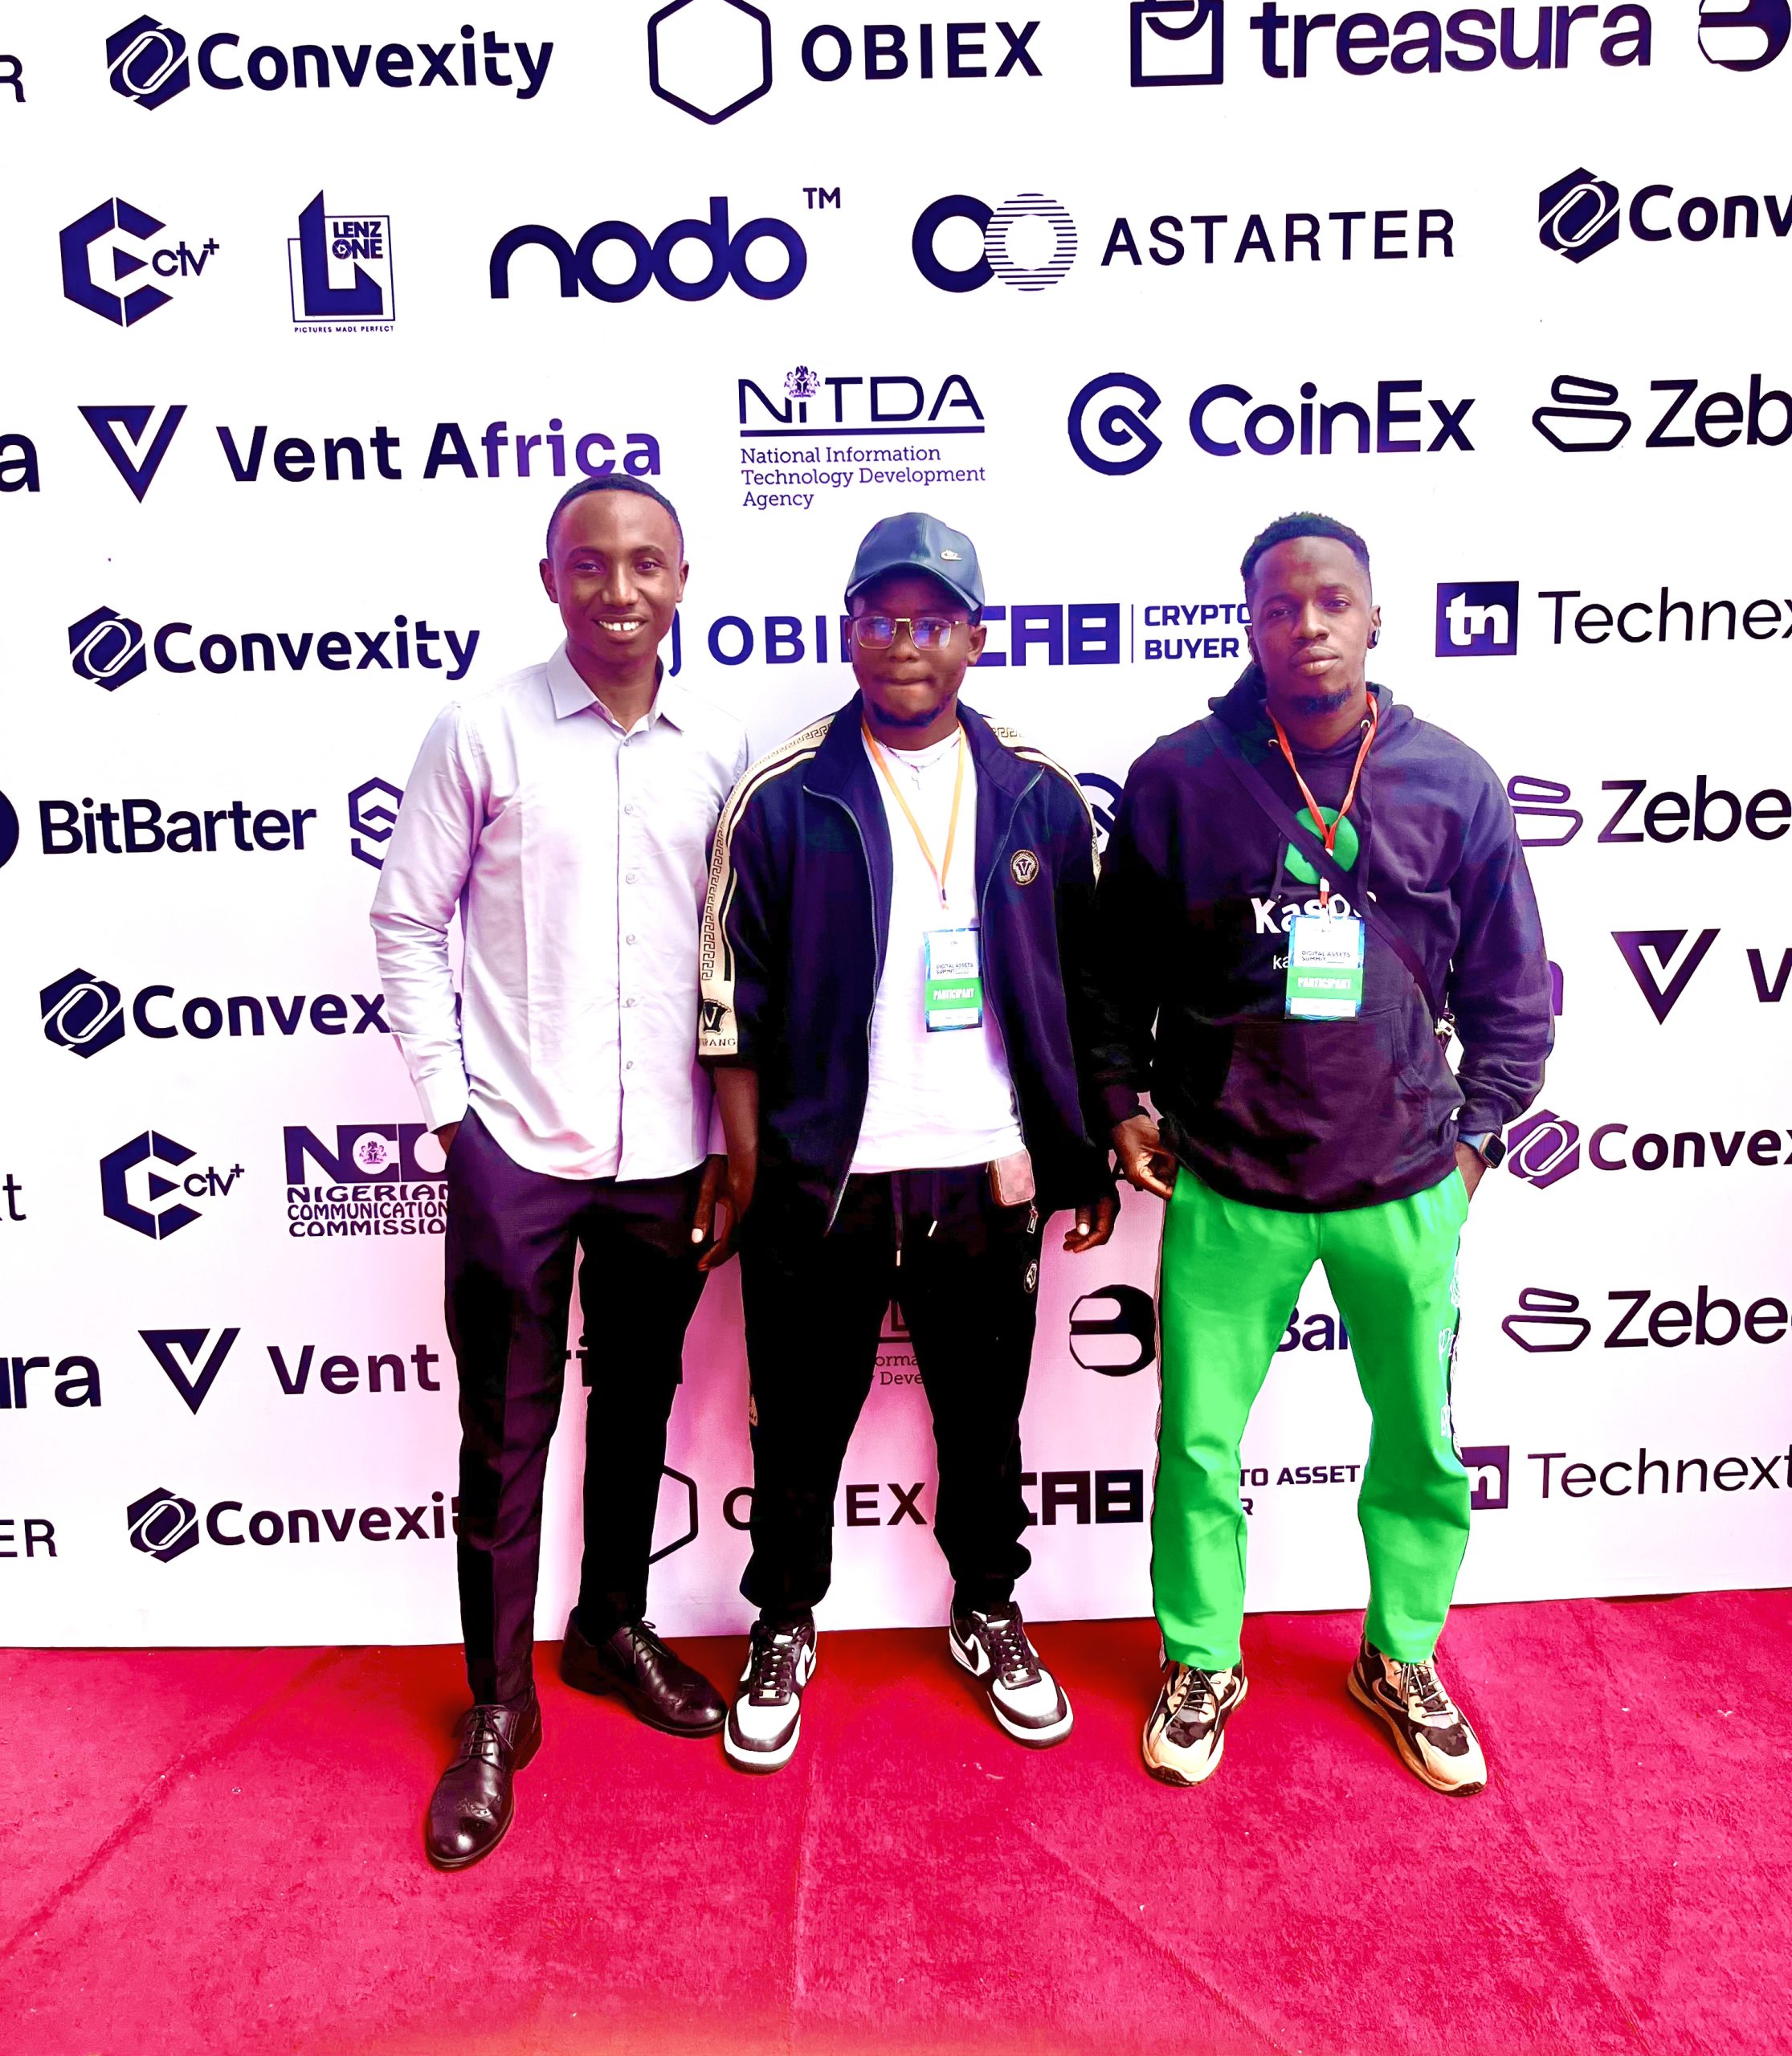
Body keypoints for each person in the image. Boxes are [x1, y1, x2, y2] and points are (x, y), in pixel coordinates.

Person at [1087, 512, 1553, 1796]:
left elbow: (1515, 990)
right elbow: (1114, 974)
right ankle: (1202, 1657)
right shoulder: (1180, 778)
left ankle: (1401, 1654)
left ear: (1375, 617)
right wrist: (1119, 1098)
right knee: (1197, 1446)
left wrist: (1474, 1147)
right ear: (1249, 625)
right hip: (1230, 1176)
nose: (1309, 626)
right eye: (1281, 607)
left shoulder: (1452, 780)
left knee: (1420, 1443)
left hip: (1403, 1180)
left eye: (1334, 602)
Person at [698, 511, 1118, 1772]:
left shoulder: (1039, 792)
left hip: (988, 1169)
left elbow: (1086, 990)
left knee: (984, 1422)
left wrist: (1087, 1149)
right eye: (881, 620)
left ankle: (988, 1608)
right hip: (827, 1180)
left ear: (974, 639)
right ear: (849, 632)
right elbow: (727, 994)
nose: (904, 644)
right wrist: (753, 1165)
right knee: (798, 1427)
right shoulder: (785, 796)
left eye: (932, 622)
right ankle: (783, 1621)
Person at [371, 475, 749, 1870]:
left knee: (638, 1407)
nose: (619, 591)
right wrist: (450, 1116)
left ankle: (607, 1628)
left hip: (668, 1156)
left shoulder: (724, 745)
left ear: (684, 580)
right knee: (504, 1438)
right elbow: (408, 920)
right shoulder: (481, 729)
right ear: (550, 581)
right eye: (590, 566)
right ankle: (496, 1705)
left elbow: (735, 953)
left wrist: (731, 1136)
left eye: (647, 564)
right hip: (516, 1148)